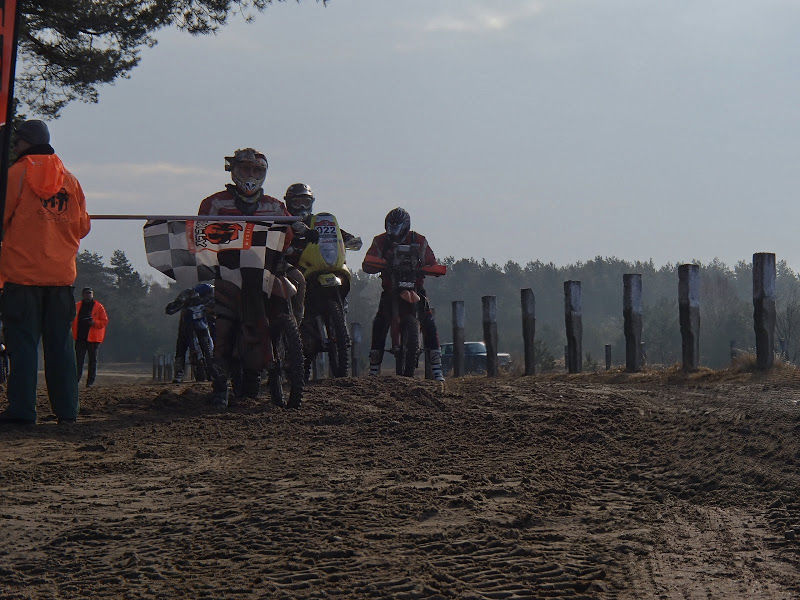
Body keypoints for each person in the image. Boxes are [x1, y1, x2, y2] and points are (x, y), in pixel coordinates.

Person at [198, 148, 311, 408]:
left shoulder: (274, 205)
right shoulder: (215, 203)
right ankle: (220, 384)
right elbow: (200, 234)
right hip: (230, 269)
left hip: (269, 267)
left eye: (257, 170)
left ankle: (292, 335)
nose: (251, 175)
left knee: (298, 281)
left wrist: (300, 228)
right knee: (224, 325)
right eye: (245, 169)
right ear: (234, 171)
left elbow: (290, 229)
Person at [0, 119, 90, 424]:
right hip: (61, 278)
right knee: (61, 347)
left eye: (16, 142)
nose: (14, 147)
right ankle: (67, 411)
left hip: (22, 277)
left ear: (25, 143)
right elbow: (83, 227)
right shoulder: (70, 180)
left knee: (23, 347)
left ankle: (23, 412)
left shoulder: (15, 174)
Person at [362, 207, 446, 381]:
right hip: (391, 288)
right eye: (391, 226)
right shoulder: (380, 241)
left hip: (415, 287)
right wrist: (379, 263)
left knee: (428, 321)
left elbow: (431, 261)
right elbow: (368, 261)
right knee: (380, 322)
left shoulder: (419, 240)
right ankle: (374, 368)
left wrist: (431, 268)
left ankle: (437, 367)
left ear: (406, 226)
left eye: (397, 226)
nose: (394, 231)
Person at [165, 283, 215, 383]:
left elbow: (218, 306)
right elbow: (172, 308)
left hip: (203, 322)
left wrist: (211, 310)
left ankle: (214, 369)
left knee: (215, 337)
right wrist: (175, 306)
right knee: (181, 344)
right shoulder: (186, 294)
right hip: (187, 323)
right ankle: (179, 373)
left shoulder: (211, 293)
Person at [72, 287, 109, 388]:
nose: (88, 295)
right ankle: (76, 380)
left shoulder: (99, 306)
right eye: (86, 293)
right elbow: (71, 319)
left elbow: (104, 321)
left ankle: (90, 382)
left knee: (92, 361)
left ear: (92, 294)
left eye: (90, 293)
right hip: (80, 337)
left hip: (93, 339)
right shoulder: (77, 306)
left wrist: (94, 322)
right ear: (83, 295)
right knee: (78, 361)